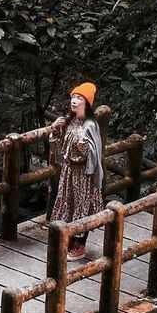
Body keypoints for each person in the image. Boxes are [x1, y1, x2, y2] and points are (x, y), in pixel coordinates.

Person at [48, 82, 104, 257]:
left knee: (82, 204)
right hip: (68, 171)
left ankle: (79, 244)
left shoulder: (90, 125)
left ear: (87, 103)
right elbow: (58, 144)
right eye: (73, 97)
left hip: (83, 172)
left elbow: (93, 153)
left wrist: (81, 142)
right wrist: (55, 127)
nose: (74, 101)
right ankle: (68, 240)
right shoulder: (70, 120)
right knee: (67, 204)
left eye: (79, 98)